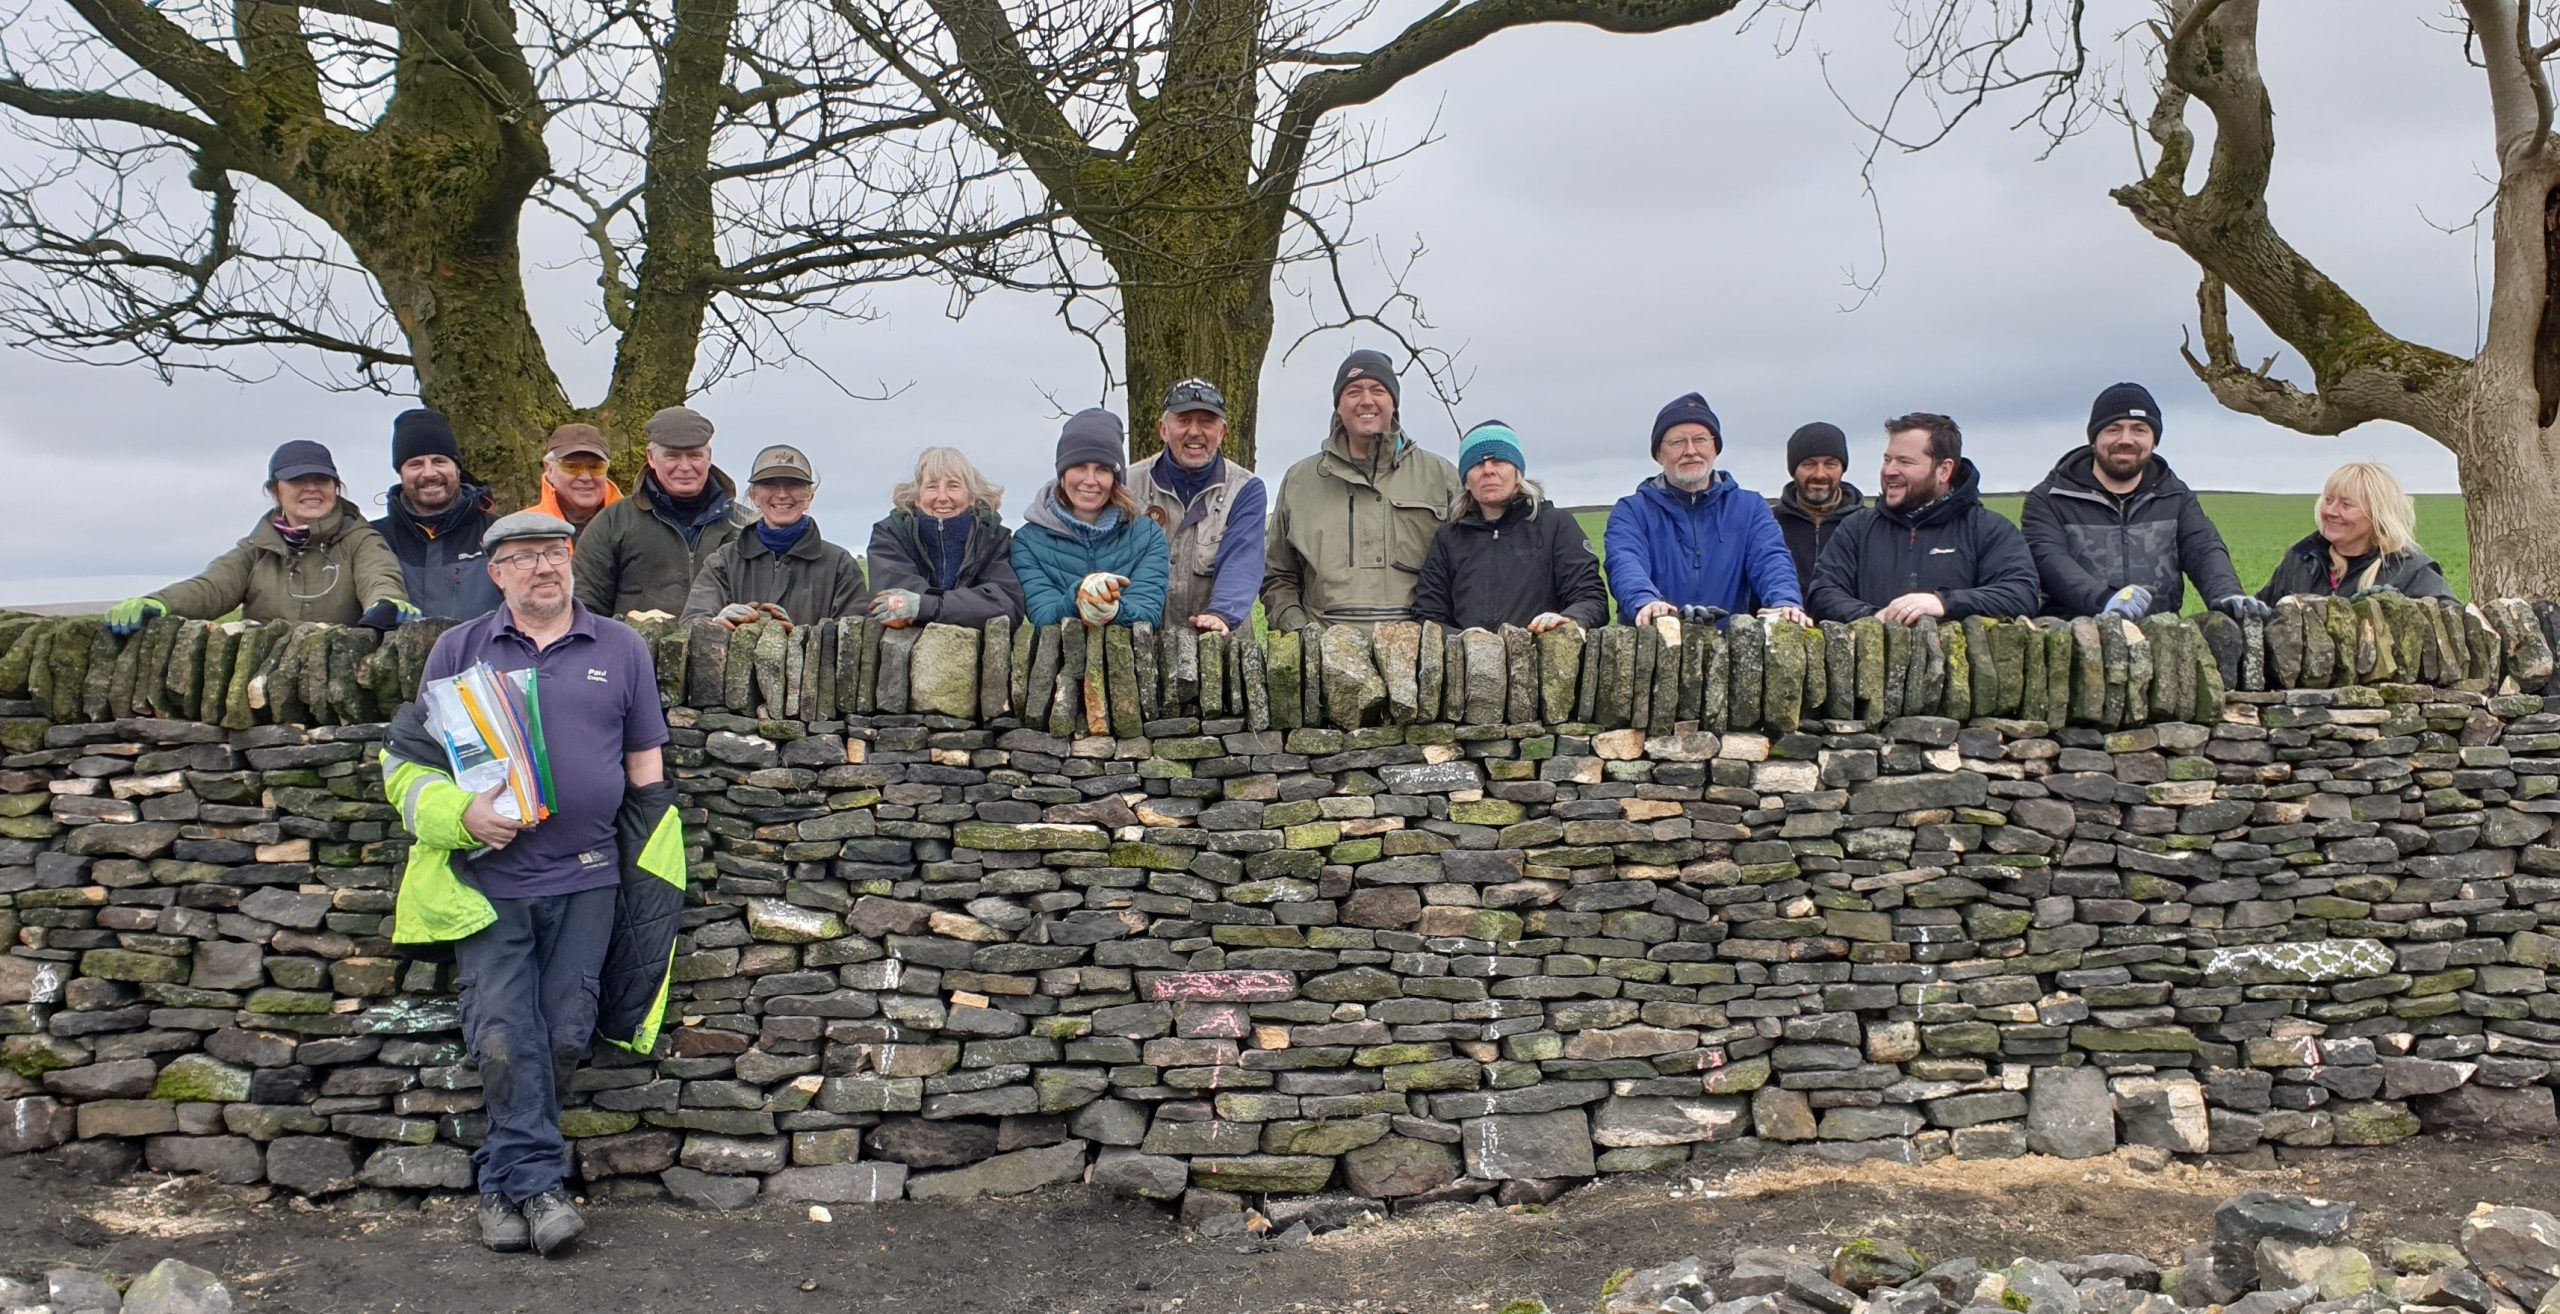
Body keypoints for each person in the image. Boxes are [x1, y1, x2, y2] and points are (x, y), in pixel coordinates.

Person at [379, 511, 682, 1257]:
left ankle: (498, 1182)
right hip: (489, 881)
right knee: (504, 1036)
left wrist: (650, 871)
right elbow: (409, 765)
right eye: (524, 557)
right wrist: (463, 815)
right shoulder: (459, 647)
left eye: (555, 553)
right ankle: (540, 1189)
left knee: (567, 1032)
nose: (544, 567)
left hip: (589, 876)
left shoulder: (621, 646)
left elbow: (646, 769)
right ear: (497, 571)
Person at [106, 440, 413, 634]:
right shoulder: (256, 550)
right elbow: (211, 587)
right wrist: (158, 603)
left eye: (320, 479)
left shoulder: (360, 539)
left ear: (336, 486)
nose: (310, 488)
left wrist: (386, 603)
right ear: (274, 491)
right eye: (296, 480)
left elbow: (380, 576)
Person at [2021, 382, 2264, 621]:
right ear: (2094, 439)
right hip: (2072, 637)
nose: (2126, 439)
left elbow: (2204, 549)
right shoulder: (2049, 499)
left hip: (2160, 640)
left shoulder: (2176, 497)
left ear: (2154, 440)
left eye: (2139, 429)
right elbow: (2050, 562)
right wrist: (2105, 600)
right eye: (2114, 429)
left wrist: (2227, 594)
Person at [1261, 349, 1461, 630]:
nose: (1366, 401)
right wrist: (1299, 631)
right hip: (1322, 652)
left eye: (1378, 390)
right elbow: (1278, 575)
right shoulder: (1299, 480)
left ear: (1394, 403)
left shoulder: (1440, 476)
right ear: (1338, 406)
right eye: (1354, 391)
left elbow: (1467, 568)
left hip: (1419, 654)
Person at [1808, 413, 2041, 624]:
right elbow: (1823, 594)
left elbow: (2020, 593)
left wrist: (1943, 603)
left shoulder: (1989, 529)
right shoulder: (1856, 528)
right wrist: (1874, 618)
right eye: (1887, 459)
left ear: (1944, 470)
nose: (1889, 470)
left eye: (1905, 461)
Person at [1603, 392, 1810, 627]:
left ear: (1715, 448)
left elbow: (1771, 559)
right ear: (1659, 454)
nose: (1690, 450)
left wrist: (1784, 601)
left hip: (1731, 651)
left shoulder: (1750, 508)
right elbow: (1625, 561)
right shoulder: (1631, 512)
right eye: (1677, 442)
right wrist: (1645, 601)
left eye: (1700, 439)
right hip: (1652, 647)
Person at [1411, 421, 1607, 634]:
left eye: (1499, 461)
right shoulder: (1449, 538)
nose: (1488, 471)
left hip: (1541, 660)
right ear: (1466, 481)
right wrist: (1462, 639)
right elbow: (1428, 613)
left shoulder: (1556, 525)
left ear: (1518, 472)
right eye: (1477, 464)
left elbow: (1590, 597)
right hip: (1467, 664)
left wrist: (1568, 620)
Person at [572, 405, 752, 618]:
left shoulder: (744, 526)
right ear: (650, 457)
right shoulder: (613, 523)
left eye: (694, 455)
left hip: (726, 650)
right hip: (636, 651)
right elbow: (584, 610)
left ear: (709, 457)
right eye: (672, 456)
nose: (684, 467)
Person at [1125, 378, 1267, 634]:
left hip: (1221, 647)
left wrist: (1222, 613)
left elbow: (1242, 560)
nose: (1194, 431)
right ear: (1163, 430)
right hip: (1143, 648)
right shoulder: (1128, 484)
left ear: (1222, 432)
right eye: (1183, 420)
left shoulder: (1246, 489)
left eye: (1206, 422)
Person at [1010, 409, 1170, 628]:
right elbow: (1043, 616)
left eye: (1102, 469)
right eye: (1079, 467)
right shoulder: (1027, 542)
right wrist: (1080, 596)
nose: (1090, 480)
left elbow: (1148, 612)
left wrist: (1114, 610)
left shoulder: (1148, 535)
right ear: (1063, 473)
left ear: (1115, 478)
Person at [679, 444, 866, 628]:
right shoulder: (724, 562)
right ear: (754, 496)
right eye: (769, 484)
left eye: (793, 484)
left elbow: (856, 632)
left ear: (809, 497)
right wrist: (715, 624)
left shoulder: (840, 564)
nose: (782, 494)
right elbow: (691, 622)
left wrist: (799, 639)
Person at [864, 447, 1026, 628]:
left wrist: (924, 606)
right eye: (932, 486)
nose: (942, 497)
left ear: (971, 496)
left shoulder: (993, 538)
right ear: (917, 497)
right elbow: (890, 602)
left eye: (953, 486)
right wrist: (963, 608)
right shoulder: (890, 535)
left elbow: (1006, 605)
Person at [2257, 460, 2458, 603]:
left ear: (2378, 515)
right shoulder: (2301, 558)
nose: (2331, 511)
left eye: (2346, 505)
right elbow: (2262, 614)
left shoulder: (2410, 570)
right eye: (2328, 500)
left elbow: (2452, 625)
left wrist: (2403, 609)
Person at [373, 408, 504, 620]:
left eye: (439, 461)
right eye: (415, 464)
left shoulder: (498, 534)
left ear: (458, 468)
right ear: (400, 473)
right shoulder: (373, 538)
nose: (429, 473)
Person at [1773, 422, 1864, 599]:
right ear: (1793, 470)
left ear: (1843, 469)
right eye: (1809, 464)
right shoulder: (1769, 524)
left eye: (1830, 464)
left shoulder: (1865, 525)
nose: (1820, 474)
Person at [521, 424, 623, 535]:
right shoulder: (521, 529)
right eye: (572, 467)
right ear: (549, 469)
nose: (585, 477)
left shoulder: (635, 522)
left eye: (595, 467)